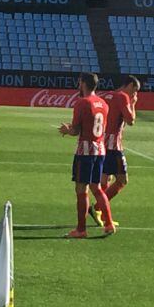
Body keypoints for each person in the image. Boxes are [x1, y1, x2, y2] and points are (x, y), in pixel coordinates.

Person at [58, 72, 116, 239]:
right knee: (96, 187)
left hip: (85, 151)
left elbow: (76, 130)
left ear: (83, 83)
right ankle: (109, 223)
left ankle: (81, 230)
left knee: (81, 188)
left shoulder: (82, 103)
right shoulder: (103, 104)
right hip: (100, 149)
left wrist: (67, 130)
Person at [101, 75, 140, 204]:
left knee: (105, 179)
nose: (135, 94)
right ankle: (98, 208)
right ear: (129, 85)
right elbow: (131, 121)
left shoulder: (105, 96)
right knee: (122, 180)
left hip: (101, 142)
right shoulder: (123, 97)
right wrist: (133, 104)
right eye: (135, 90)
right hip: (113, 145)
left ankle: (104, 215)